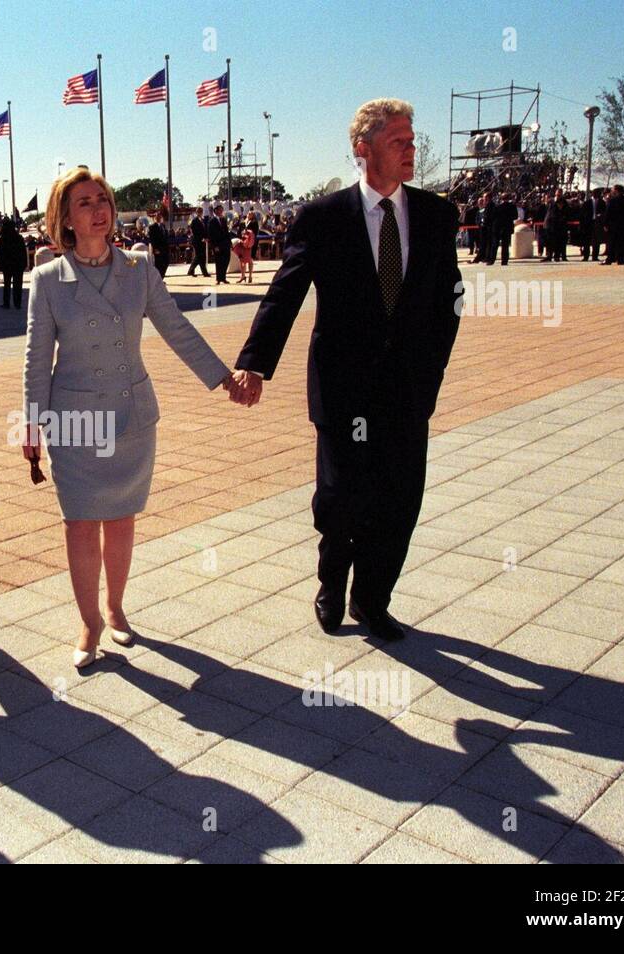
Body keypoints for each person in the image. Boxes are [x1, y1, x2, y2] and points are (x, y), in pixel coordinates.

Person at [230, 98, 462, 642]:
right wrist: (255, 365)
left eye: (411, 138)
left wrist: (432, 367)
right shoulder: (324, 218)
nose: (411, 149)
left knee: (399, 498)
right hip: (342, 388)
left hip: (407, 389)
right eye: (398, 141)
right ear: (364, 150)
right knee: (339, 496)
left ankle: (372, 599)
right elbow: (285, 293)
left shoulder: (435, 214)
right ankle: (332, 582)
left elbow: (450, 296)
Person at [23, 168, 241, 668]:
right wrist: (30, 426)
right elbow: (36, 358)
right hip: (75, 424)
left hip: (130, 418)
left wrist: (222, 377)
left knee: (121, 519)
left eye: (103, 199)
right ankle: (88, 622)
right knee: (80, 523)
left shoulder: (140, 269)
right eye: (84, 202)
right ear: (65, 219)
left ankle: (116, 609)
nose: (99, 209)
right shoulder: (47, 280)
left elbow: (177, 329)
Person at [0, 217, 27, 310]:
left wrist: (0, 263)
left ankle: (6, 303)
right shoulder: (19, 237)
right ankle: (17, 303)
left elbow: (0, 252)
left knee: (6, 284)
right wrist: (24, 263)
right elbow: (23, 251)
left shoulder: (3, 238)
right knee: (18, 284)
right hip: (18, 264)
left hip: (7, 265)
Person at [602, 183, 624, 265]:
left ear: (616, 191)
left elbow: (608, 213)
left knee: (612, 242)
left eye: (612, 190)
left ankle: (610, 258)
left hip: (613, 225)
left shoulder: (612, 200)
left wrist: (605, 223)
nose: (611, 191)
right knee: (623, 242)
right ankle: (621, 258)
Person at [207, 204, 232, 283]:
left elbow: (227, 232)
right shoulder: (212, 221)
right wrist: (214, 246)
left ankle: (223, 277)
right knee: (219, 262)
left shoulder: (223, 219)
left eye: (222, 210)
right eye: (220, 210)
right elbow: (210, 235)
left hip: (226, 244)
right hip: (217, 245)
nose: (222, 211)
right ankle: (218, 279)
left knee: (226, 260)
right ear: (216, 211)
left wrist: (230, 243)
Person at [147, 209, 170, 275]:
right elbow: (151, 239)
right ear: (155, 218)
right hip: (158, 249)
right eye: (157, 216)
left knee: (166, 263)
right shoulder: (152, 227)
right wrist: (155, 249)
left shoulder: (163, 226)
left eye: (160, 216)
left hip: (165, 249)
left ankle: (160, 278)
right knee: (158, 265)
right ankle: (159, 279)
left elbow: (165, 237)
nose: (159, 218)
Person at [187, 207, 208, 276]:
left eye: (201, 211)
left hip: (202, 241)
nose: (200, 213)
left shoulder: (203, 220)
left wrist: (205, 237)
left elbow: (204, 230)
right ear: (196, 212)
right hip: (197, 241)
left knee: (202, 257)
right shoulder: (194, 220)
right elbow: (194, 231)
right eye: (199, 211)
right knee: (198, 256)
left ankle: (203, 272)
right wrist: (202, 238)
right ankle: (191, 271)